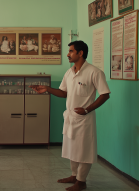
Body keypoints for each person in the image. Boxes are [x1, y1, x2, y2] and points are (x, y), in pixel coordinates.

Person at [29, 41, 110, 191]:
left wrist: (87, 109)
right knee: (72, 148)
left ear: (80, 53)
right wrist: (47, 89)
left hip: (84, 119)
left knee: (84, 151)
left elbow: (105, 95)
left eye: (71, 51)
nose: (68, 54)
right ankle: (74, 176)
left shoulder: (94, 72)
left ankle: (82, 181)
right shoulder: (69, 72)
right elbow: (64, 93)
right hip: (70, 118)